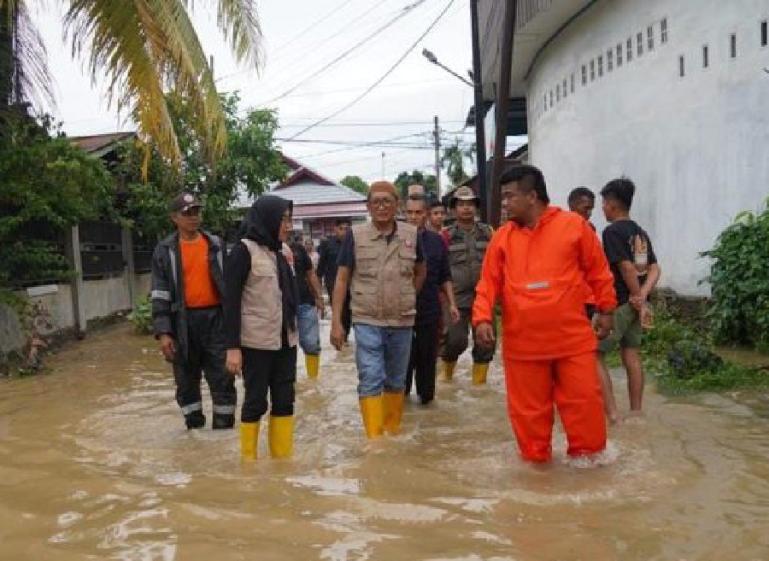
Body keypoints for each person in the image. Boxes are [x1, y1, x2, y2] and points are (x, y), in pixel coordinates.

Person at [473, 165, 617, 463]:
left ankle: (590, 472)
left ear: (532, 196)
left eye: (509, 196)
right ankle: (537, 477)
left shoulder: (573, 226)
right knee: (529, 422)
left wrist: (606, 309)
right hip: (523, 348)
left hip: (571, 343)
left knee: (585, 407)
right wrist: (482, 318)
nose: (504, 203)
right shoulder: (502, 238)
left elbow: (598, 271)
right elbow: (488, 284)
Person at [330, 181, 426, 438]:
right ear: (368, 207)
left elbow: (420, 271)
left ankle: (392, 433)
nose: (382, 206)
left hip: (402, 321)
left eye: (387, 201)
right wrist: (336, 322)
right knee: (370, 377)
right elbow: (341, 279)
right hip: (367, 319)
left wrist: (406, 296)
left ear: (398, 205)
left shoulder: (412, 234)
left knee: (396, 380)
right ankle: (375, 441)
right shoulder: (355, 235)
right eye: (376, 202)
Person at [151, 193, 236, 430]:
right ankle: (194, 434)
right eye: (187, 213)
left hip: (216, 322)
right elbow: (160, 293)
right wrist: (164, 333)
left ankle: (223, 433)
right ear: (174, 218)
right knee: (186, 382)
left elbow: (231, 286)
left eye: (196, 212)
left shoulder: (215, 245)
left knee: (223, 378)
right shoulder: (165, 250)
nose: (193, 217)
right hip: (182, 324)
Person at [224, 195, 299, 460]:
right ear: (268, 219)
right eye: (283, 219)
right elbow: (230, 302)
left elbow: (289, 296)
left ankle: (282, 463)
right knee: (255, 401)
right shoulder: (243, 251)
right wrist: (233, 348)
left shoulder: (285, 252)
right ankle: (249, 463)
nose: (288, 226)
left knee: (285, 400)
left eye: (289, 219)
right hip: (255, 343)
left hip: (286, 340)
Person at [597, 178, 661, 417]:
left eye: (603, 203)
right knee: (631, 354)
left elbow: (625, 267)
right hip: (637, 305)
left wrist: (635, 296)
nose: (602, 208)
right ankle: (636, 411)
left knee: (594, 354)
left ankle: (611, 413)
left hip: (621, 302)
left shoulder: (612, 231)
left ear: (612, 204)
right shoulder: (640, 232)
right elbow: (655, 269)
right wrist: (643, 298)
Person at [404, 195, 460, 404]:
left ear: (426, 214)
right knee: (404, 362)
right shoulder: (395, 240)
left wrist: (452, 304)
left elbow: (445, 276)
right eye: (409, 212)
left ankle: (426, 405)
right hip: (401, 312)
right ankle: (403, 408)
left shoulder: (437, 241)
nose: (413, 217)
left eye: (418, 212)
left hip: (429, 309)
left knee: (428, 360)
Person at [440, 186, 496, 384]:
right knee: (456, 341)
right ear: (454, 209)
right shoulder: (445, 235)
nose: (466, 208)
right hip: (455, 299)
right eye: (461, 205)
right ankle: (446, 380)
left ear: (476, 208)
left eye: (470, 204)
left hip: (483, 297)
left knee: (486, 343)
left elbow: (498, 262)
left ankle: (479, 388)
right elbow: (439, 269)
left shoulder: (488, 232)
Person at [291, 234, 325, 379]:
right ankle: (288, 384)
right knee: (285, 348)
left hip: (305, 301)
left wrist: (319, 297)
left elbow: (310, 274)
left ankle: (313, 382)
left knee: (311, 344)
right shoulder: (267, 249)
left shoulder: (298, 249)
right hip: (279, 307)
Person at [318, 218, 352, 340]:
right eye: (341, 228)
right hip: (333, 284)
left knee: (349, 312)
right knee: (338, 310)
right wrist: (318, 291)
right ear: (335, 229)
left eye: (346, 229)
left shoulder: (353, 244)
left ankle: (346, 336)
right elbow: (321, 267)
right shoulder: (327, 244)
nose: (344, 231)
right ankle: (339, 334)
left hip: (350, 284)